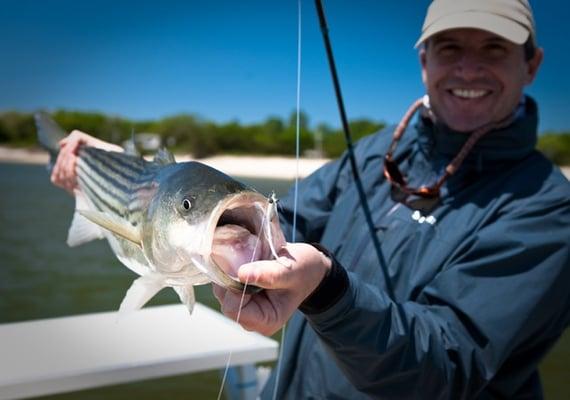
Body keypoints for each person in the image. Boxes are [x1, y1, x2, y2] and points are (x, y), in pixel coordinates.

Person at [50, 1, 569, 398]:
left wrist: (326, 292)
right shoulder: (375, 152)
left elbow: (447, 367)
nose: (469, 68)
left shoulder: (547, 211)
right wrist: (130, 174)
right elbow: (286, 219)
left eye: (494, 48)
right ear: (424, 60)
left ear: (533, 64)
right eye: (451, 47)